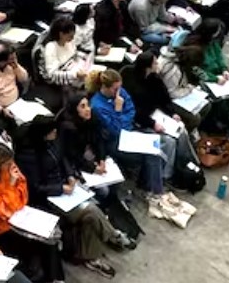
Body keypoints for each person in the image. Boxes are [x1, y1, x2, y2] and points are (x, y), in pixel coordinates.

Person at [16, 116, 133, 277]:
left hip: (66, 187)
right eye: (52, 131)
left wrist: (70, 175)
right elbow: (35, 188)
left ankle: (91, 255)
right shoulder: (27, 155)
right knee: (91, 210)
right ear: (43, 134)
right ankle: (113, 235)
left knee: (92, 212)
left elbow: (62, 158)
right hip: (49, 198)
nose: (56, 132)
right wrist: (61, 188)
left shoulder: (51, 142)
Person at [86, 69, 186, 220]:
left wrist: (122, 118)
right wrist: (118, 110)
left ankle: (151, 187)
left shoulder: (120, 92)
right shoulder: (97, 106)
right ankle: (155, 193)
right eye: (115, 88)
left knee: (155, 146)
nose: (118, 91)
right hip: (114, 144)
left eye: (119, 87)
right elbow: (116, 131)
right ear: (105, 87)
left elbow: (131, 110)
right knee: (153, 154)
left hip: (130, 133)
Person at [0, 144, 66, 283]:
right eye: (7, 163)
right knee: (43, 243)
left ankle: (56, 279)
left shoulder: (10, 167)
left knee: (51, 239)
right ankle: (52, 277)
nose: (12, 165)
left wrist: (13, 196)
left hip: (22, 215)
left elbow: (23, 196)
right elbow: (4, 211)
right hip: (3, 226)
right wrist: (11, 185)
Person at [40, 18, 93, 89]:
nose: (73, 38)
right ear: (61, 34)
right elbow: (52, 75)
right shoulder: (51, 48)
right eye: (70, 36)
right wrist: (75, 75)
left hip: (73, 69)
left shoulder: (69, 42)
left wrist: (85, 57)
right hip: (63, 79)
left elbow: (74, 54)